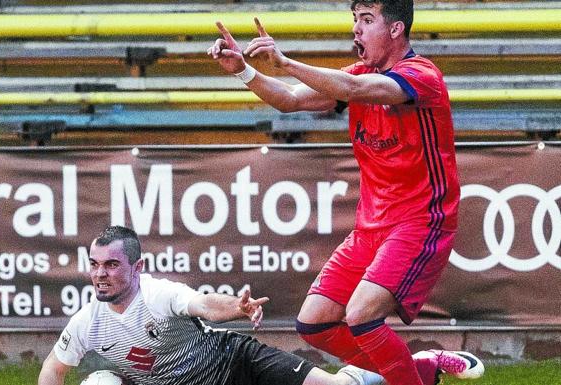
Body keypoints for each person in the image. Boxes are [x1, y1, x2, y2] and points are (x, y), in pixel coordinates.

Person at [207, 1, 484, 385]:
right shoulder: (356, 74)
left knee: (361, 315)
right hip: (371, 227)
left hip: (422, 221)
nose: (356, 29)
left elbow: (353, 88)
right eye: (355, 19)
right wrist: (244, 71)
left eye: (367, 20)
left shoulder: (422, 75)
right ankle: (418, 367)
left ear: (396, 30)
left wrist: (285, 61)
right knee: (314, 324)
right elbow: (289, 100)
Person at [39, 225, 383, 385]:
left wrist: (238, 308)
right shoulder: (87, 322)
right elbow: (55, 367)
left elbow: (203, 305)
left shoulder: (158, 295)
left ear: (137, 268)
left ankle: (404, 367)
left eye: (111, 265)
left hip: (236, 362)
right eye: (95, 264)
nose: (100, 274)